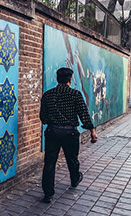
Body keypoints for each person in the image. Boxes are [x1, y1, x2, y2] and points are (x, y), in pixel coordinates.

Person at [39, 67, 97, 203]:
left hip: (52, 132)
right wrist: (92, 131)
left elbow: (43, 117)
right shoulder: (75, 94)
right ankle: (75, 179)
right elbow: (83, 114)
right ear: (70, 80)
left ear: (57, 79)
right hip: (70, 133)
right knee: (72, 159)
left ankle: (48, 194)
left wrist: (52, 121)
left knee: (49, 163)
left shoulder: (48, 95)